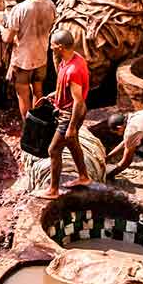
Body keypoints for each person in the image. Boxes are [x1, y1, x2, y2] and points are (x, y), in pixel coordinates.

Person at [38, 28, 91, 199]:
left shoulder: (73, 70)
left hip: (70, 115)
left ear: (60, 47)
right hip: (68, 110)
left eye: (52, 44)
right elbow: (69, 89)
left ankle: (53, 190)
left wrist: (72, 127)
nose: (50, 46)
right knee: (72, 143)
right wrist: (54, 95)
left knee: (53, 150)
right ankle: (83, 176)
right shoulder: (70, 60)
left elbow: (78, 101)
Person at [2, 0, 56, 123]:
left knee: (23, 94)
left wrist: (2, 29)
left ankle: (27, 127)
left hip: (24, 61)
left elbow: (7, 38)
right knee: (38, 91)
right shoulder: (50, 4)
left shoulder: (20, 9)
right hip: (41, 57)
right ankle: (38, 123)